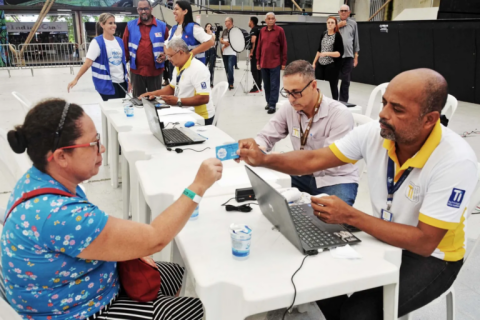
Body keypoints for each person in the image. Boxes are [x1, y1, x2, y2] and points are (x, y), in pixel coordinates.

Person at [236, 68, 478, 320]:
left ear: (430, 119)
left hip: (433, 257)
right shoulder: (375, 133)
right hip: (383, 233)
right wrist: (263, 159)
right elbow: (313, 159)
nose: (383, 114)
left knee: (358, 314)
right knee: (314, 274)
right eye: (384, 103)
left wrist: (351, 216)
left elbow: (425, 242)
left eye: (398, 109)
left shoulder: (454, 161)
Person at [1, 98, 223, 320]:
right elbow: (156, 238)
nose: (102, 148)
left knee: (174, 272)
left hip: (74, 288)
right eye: (93, 143)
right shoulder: (59, 214)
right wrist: (198, 186)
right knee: (196, 310)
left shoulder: (38, 179)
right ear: (61, 156)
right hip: (75, 311)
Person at [255, 60, 358, 203]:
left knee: (334, 221)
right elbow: (265, 136)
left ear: (314, 85)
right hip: (301, 174)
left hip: (335, 179)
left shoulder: (339, 114)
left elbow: (327, 162)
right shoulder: (289, 108)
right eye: (287, 93)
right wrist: (258, 147)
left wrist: (282, 159)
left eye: (296, 93)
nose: (291, 99)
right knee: (263, 194)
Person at [139, 38, 216, 125]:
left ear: (181, 52)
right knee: (154, 119)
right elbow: (172, 88)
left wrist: (178, 101)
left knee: (162, 125)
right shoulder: (178, 65)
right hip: (184, 110)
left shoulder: (198, 69)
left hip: (200, 117)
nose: (168, 59)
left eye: (170, 56)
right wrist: (153, 94)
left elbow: (204, 98)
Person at [67, 13, 128, 101]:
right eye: (110, 23)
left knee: (119, 108)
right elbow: (88, 63)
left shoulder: (119, 41)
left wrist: (127, 80)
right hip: (107, 84)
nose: (114, 26)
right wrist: (76, 79)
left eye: (114, 23)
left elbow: (122, 63)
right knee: (113, 109)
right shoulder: (97, 42)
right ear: (102, 25)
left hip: (122, 82)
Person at [122, 0, 168, 98]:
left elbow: (169, 47)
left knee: (155, 101)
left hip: (155, 71)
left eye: (146, 9)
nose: (143, 11)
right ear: (137, 10)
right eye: (140, 9)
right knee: (138, 101)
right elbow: (124, 48)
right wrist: (123, 68)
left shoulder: (162, 26)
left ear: (151, 9)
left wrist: (166, 56)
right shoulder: (130, 26)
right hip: (137, 72)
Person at [256, 12, 287, 114]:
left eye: (272, 18)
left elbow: (284, 47)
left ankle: (273, 104)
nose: (270, 20)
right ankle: (268, 102)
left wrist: (283, 62)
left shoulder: (280, 31)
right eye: (268, 18)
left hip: (275, 63)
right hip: (264, 63)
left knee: (274, 84)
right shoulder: (262, 31)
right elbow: (259, 46)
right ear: (265, 20)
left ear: (275, 20)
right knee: (266, 85)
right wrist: (258, 61)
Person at [166, 0, 214, 66]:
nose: (173, 12)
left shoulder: (193, 28)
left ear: (185, 11)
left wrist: (191, 53)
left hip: (193, 69)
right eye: (174, 9)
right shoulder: (173, 29)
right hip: (176, 69)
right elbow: (167, 45)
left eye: (176, 9)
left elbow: (210, 42)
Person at [312, 16, 344, 101]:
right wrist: (314, 62)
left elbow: (339, 53)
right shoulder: (324, 34)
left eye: (332, 23)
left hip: (331, 64)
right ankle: (319, 102)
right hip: (321, 63)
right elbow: (319, 49)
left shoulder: (337, 36)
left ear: (335, 25)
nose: (330, 24)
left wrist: (327, 53)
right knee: (320, 84)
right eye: (328, 23)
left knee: (332, 86)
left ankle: (334, 104)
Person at [337, 4, 360, 103]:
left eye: (345, 11)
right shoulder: (333, 22)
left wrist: (356, 56)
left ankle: (343, 102)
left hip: (348, 56)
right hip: (335, 57)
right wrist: (338, 26)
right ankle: (333, 101)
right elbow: (327, 33)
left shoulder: (353, 23)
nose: (343, 12)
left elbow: (356, 40)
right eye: (341, 10)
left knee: (346, 81)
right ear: (339, 12)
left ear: (349, 12)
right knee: (333, 80)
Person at [220, 17, 236, 90]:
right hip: (225, 53)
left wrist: (224, 46)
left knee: (230, 68)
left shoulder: (234, 30)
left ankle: (231, 83)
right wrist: (224, 43)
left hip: (232, 53)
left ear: (230, 22)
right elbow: (221, 39)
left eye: (226, 21)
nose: (225, 23)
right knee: (226, 68)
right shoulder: (225, 31)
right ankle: (228, 81)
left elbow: (231, 42)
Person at [248, 16, 262, 93]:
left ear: (251, 21)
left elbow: (253, 40)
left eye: (249, 21)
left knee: (254, 69)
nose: (248, 22)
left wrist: (251, 52)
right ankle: (259, 86)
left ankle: (255, 87)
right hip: (260, 52)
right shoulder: (259, 29)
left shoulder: (254, 29)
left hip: (256, 52)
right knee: (259, 69)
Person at [204, 22, 216, 88]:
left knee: (211, 67)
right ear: (205, 28)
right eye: (208, 26)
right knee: (204, 66)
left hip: (211, 50)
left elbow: (213, 42)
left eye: (210, 26)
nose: (209, 28)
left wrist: (211, 33)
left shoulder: (213, 34)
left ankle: (211, 81)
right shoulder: (203, 34)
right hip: (205, 50)